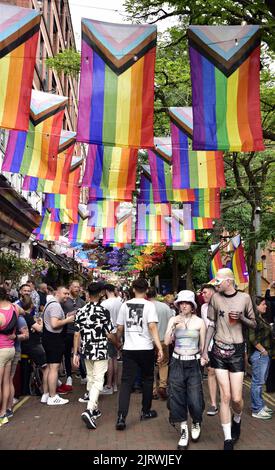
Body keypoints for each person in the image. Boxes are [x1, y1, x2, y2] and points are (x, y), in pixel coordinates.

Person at [201, 268, 256, 450]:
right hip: (218, 349)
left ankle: (237, 418)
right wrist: (204, 350)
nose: (216, 284)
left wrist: (241, 317)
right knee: (225, 395)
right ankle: (227, 439)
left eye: (219, 281)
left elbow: (254, 324)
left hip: (237, 351)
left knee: (237, 399)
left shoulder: (245, 298)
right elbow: (211, 325)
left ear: (229, 281)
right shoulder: (215, 298)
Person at [115, 278, 163, 431]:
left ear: (133, 289)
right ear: (147, 289)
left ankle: (121, 417)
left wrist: (118, 342)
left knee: (126, 383)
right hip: (146, 348)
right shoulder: (150, 306)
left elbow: (120, 328)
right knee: (148, 379)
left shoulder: (124, 305)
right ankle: (145, 411)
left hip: (129, 348)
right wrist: (159, 347)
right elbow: (152, 327)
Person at [164, 290, 205, 450]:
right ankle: (183, 429)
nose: (184, 306)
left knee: (195, 398)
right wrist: (172, 328)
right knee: (177, 397)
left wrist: (203, 358)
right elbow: (167, 341)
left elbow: (202, 346)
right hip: (177, 362)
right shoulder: (173, 319)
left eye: (187, 303)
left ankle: (196, 421)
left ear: (193, 305)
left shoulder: (199, 322)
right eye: (181, 303)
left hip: (193, 363)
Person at [73, 282, 117, 430]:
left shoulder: (80, 311)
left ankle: (94, 408)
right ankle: (90, 409)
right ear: (100, 294)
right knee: (99, 379)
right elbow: (110, 333)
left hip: (86, 349)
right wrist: (119, 345)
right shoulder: (103, 311)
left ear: (87, 293)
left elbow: (76, 333)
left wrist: (75, 353)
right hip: (100, 349)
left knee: (91, 378)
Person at [41, 286, 74, 406]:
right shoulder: (55, 305)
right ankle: (53, 396)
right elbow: (55, 324)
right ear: (57, 293)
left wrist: (65, 317)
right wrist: (68, 320)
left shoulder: (50, 303)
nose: (67, 296)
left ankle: (45, 395)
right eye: (65, 293)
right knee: (54, 368)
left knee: (49, 368)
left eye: (67, 294)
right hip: (54, 339)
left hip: (48, 338)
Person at [249, 297, 274, 419]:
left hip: (264, 354)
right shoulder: (254, 320)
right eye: (263, 304)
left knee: (260, 382)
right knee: (257, 383)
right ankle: (256, 409)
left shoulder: (260, 319)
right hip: (259, 355)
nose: (266, 306)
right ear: (256, 306)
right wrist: (263, 350)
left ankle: (260, 405)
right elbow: (252, 338)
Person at [147, 287, 174, 400]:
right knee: (163, 363)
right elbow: (171, 323)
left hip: (148, 341)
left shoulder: (145, 306)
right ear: (157, 294)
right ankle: (162, 385)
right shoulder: (165, 307)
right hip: (163, 339)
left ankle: (152, 389)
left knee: (150, 365)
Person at [61, 281, 85, 391]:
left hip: (79, 332)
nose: (76, 288)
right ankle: (69, 376)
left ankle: (83, 374)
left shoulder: (82, 301)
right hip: (67, 332)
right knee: (67, 355)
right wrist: (68, 316)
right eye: (74, 287)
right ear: (70, 287)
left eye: (78, 287)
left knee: (80, 353)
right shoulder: (65, 301)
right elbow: (60, 315)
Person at [0, 287, 19, 425]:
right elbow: (26, 312)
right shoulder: (14, 308)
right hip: (11, 348)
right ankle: (3, 412)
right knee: (6, 382)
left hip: (0, 350)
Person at [100, 283, 122, 395]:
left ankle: (109, 385)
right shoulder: (120, 302)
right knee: (115, 359)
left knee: (109, 359)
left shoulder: (104, 303)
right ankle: (115, 385)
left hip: (108, 333)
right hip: (118, 332)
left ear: (105, 291)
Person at [201, 283, 219, 416]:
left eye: (205, 292)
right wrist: (204, 349)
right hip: (211, 346)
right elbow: (206, 330)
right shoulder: (203, 307)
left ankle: (226, 400)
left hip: (225, 345)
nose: (203, 295)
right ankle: (213, 404)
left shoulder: (222, 304)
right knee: (211, 372)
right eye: (202, 293)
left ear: (213, 292)